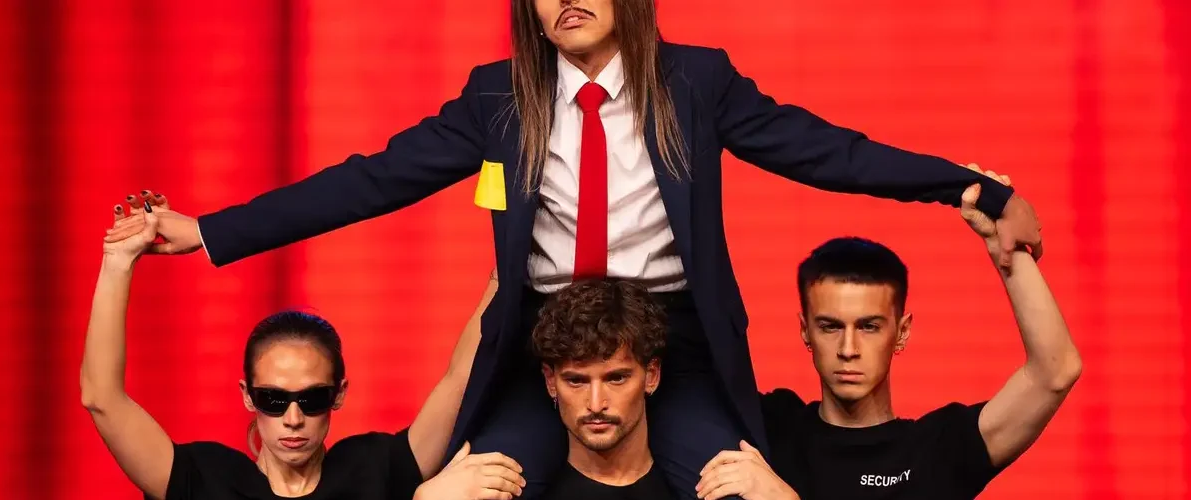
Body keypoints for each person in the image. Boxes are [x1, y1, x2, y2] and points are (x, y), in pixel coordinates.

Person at [103, 0, 1045, 495]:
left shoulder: (696, 83)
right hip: (544, 340)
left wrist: (969, 187)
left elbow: (824, 149)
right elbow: (369, 179)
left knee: (728, 486)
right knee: (483, 487)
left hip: (672, 336)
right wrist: (209, 231)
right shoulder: (497, 97)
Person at [82, 201, 525, 499]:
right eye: (273, 400)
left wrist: (510, 263)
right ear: (247, 395)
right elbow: (102, 399)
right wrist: (118, 261)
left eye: (312, 399)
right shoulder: (205, 480)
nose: (293, 419)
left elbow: (461, 377)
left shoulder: (376, 468)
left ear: (339, 394)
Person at [734, 170, 1080, 499]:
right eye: (831, 326)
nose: (848, 348)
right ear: (805, 331)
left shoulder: (937, 453)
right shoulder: (769, 427)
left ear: (902, 332)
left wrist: (1003, 245)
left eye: (869, 326)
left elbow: (1056, 372)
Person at [531, 279, 674, 499]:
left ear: (651, 375)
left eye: (616, 379)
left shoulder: (698, 487)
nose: (596, 405)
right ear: (551, 381)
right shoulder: (521, 491)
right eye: (576, 381)